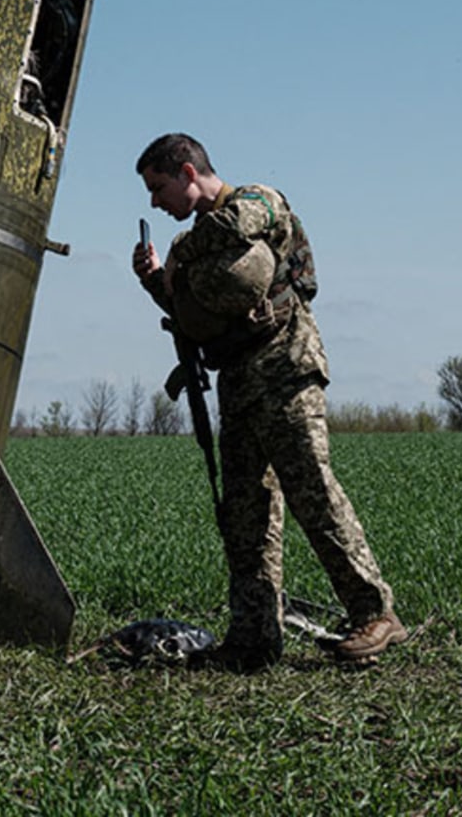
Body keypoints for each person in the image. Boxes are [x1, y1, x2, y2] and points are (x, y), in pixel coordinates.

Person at [132, 132, 405, 669]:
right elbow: (194, 311)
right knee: (245, 513)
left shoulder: (258, 200)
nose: (154, 203)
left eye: (158, 187)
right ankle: (254, 638)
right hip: (238, 378)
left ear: (188, 172)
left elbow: (236, 227)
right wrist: (156, 281)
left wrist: (182, 253)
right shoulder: (200, 243)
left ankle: (375, 615)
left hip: (285, 368)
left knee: (312, 492)